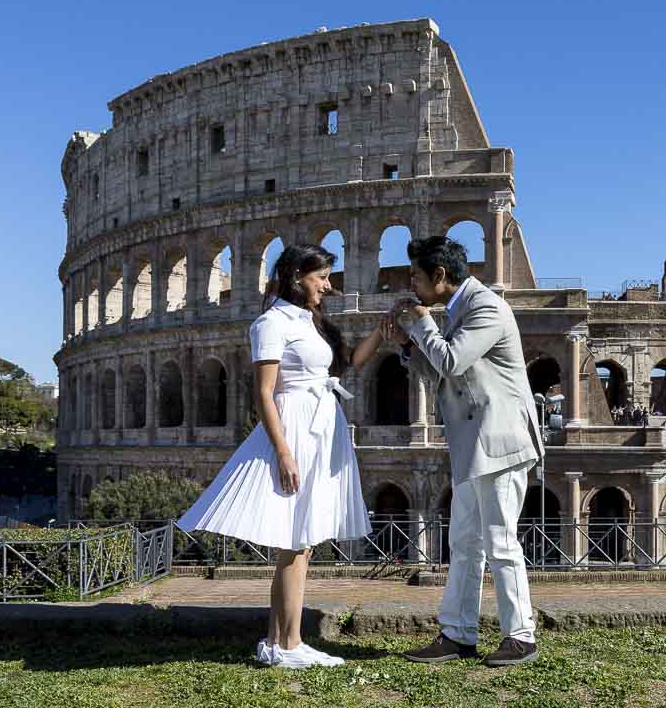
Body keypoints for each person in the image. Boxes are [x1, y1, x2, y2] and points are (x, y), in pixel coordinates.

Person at [177, 244, 392, 669]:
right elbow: (263, 392)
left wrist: (381, 332)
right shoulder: (270, 323)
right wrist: (283, 452)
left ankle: (280, 643)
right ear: (296, 277)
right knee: (295, 543)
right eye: (322, 277)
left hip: (319, 424)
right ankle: (288, 645)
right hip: (295, 427)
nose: (329, 286)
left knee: (301, 544)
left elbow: (344, 367)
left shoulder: (308, 321)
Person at [392, 236, 543, 667]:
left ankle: (521, 635)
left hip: (501, 442)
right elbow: (444, 375)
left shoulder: (487, 307)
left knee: (499, 541)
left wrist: (421, 324)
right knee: (464, 542)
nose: (413, 286)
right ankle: (458, 633)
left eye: (417, 277)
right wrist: (407, 346)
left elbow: (453, 361)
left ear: (440, 276)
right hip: (474, 445)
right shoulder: (460, 309)